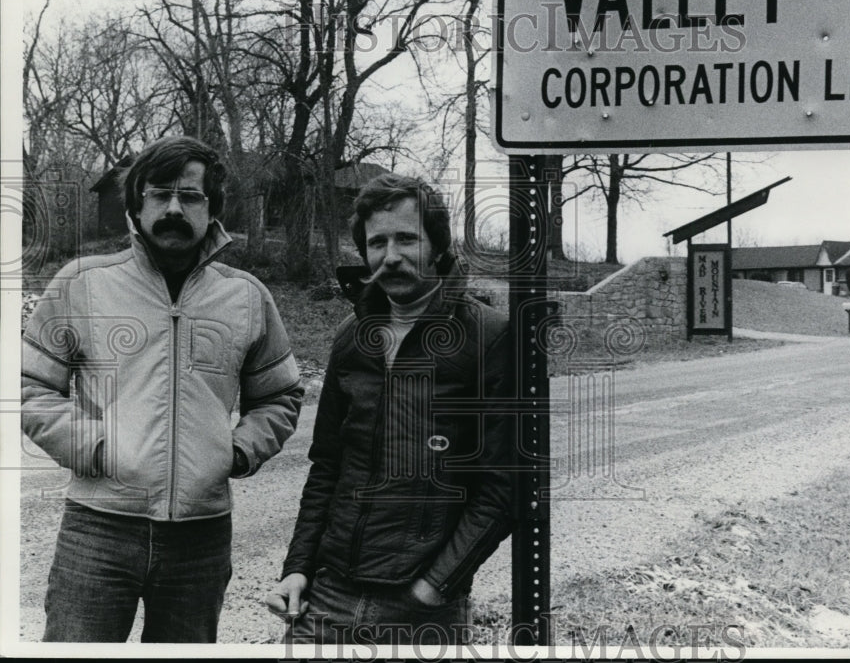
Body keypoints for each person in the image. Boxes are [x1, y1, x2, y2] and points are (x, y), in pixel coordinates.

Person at [21, 136, 304, 643]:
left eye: (191, 196)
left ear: (211, 208)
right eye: (159, 194)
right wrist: (99, 448)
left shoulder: (245, 296)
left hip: (202, 538)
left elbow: (280, 397)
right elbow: (29, 386)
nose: (174, 207)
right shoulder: (81, 283)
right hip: (98, 529)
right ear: (136, 204)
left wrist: (235, 452)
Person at [266, 173, 512, 648]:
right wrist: (297, 568)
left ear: (438, 245)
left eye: (407, 238)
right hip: (330, 594)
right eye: (377, 243)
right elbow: (327, 468)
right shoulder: (351, 337)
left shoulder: (489, 336)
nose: (391, 256)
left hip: (422, 607)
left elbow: (504, 487)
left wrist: (435, 585)